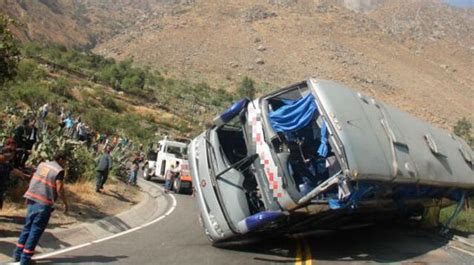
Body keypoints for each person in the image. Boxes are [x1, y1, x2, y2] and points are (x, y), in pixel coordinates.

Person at [12, 151, 69, 265]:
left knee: (27, 227)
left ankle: (17, 254)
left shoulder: (43, 164)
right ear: (61, 159)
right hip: (43, 203)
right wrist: (65, 203)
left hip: (32, 199)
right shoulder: (59, 170)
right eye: (65, 160)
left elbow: (34, 178)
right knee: (35, 230)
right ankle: (26, 259)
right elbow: (59, 188)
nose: (66, 163)